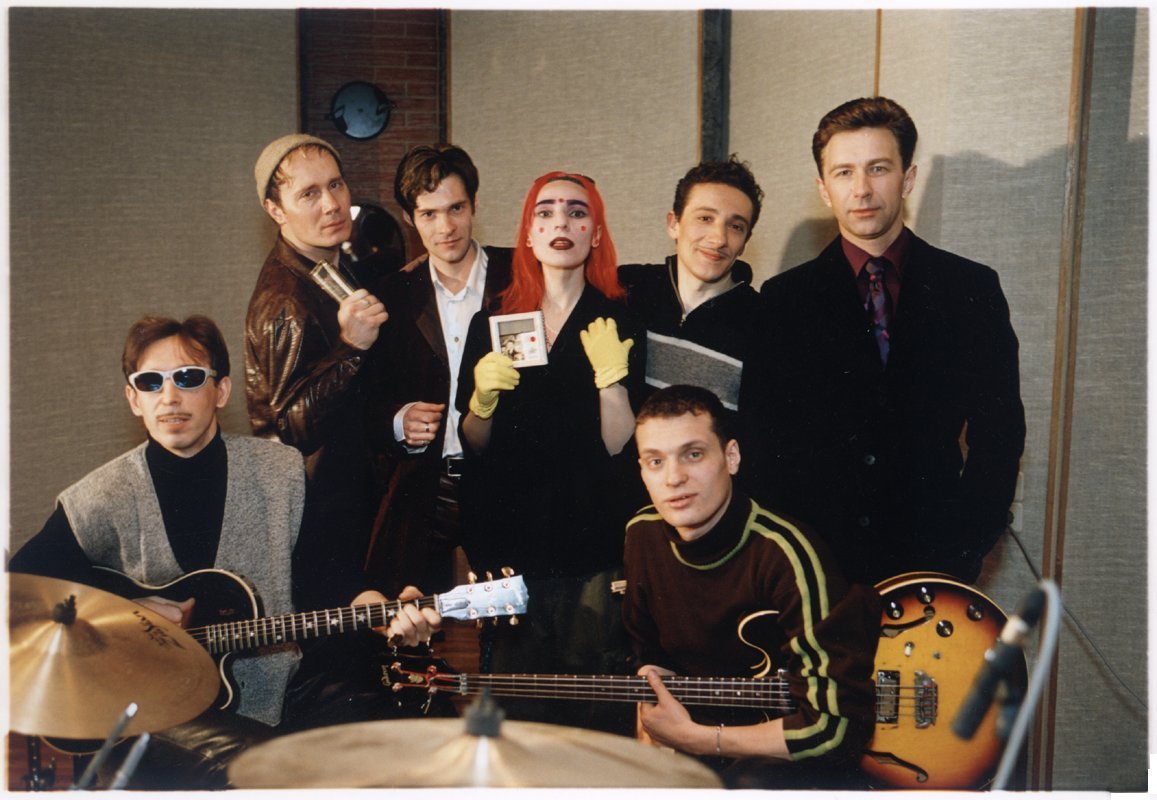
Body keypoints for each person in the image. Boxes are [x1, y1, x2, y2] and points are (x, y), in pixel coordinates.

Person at [9, 315, 439, 789]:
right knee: (268, 773)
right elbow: (20, 593)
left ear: (221, 390)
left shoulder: (280, 472)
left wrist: (381, 610)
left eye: (188, 378)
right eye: (151, 382)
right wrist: (123, 611)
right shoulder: (99, 498)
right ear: (133, 399)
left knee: (402, 742)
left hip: (278, 688)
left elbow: (327, 575)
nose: (169, 397)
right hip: (157, 710)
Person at [740, 97, 1026, 585]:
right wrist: (787, 561)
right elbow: (763, 443)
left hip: (934, 562)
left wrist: (967, 542)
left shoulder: (970, 288)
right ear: (824, 189)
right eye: (844, 172)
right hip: (819, 568)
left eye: (878, 168)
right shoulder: (784, 299)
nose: (862, 189)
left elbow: (999, 431)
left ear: (907, 178)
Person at [455, 171, 646, 732]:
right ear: (528, 234)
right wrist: (481, 402)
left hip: (592, 550)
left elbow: (620, 445)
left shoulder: (619, 320)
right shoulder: (493, 321)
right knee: (515, 718)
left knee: (594, 719)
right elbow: (474, 442)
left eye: (576, 212)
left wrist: (612, 382)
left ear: (596, 233)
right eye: (546, 212)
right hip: (511, 549)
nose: (561, 221)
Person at [624, 384, 880, 789]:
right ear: (642, 470)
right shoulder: (641, 534)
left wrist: (700, 739)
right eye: (656, 461)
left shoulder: (788, 553)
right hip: (696, 751)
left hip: (775, 763)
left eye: (693, 454)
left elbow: (835, 729)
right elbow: (648, 652)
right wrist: (650, 708)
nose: (674, 478)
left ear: (731, 457)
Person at [364, 144, 513, 596]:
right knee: (415, 619)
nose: (445, 228)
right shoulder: (390, 296)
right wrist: (397, 419)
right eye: (429, 214)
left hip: (506, 481)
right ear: (409, 218)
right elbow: (364, 402)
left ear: (475, 204)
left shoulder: (520, 276)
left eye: (456, 209)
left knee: (511, 620)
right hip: (426, 485)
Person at [245, 134, 388, 566]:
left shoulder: (331, 265)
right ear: (275, 210)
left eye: (335, 185)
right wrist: (351, 348)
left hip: (352, 503)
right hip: (322, 522)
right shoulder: (284, 302)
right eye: (308, 193)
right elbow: (289, 428)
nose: (332, 204)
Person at [618, 156, 763, 411]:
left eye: (735, 226)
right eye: (705, 218)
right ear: (673, 223)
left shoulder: (763, 321)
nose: (719, 239)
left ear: (744, 243)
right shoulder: (626, 288)